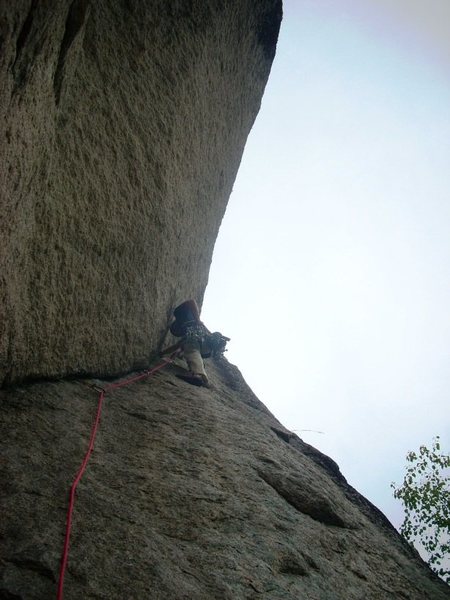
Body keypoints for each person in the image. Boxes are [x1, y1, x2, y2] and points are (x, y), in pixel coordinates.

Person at [161, 299, 229, 387]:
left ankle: (198, 375)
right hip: (205, 348)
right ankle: (200, 374)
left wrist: (197, 319)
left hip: (203, 345)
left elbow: (191, 301)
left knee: (191, 350)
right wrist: (161, 353)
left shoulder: (182, 315)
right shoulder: (188, 335)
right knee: (191, 350)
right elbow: (177, 346)